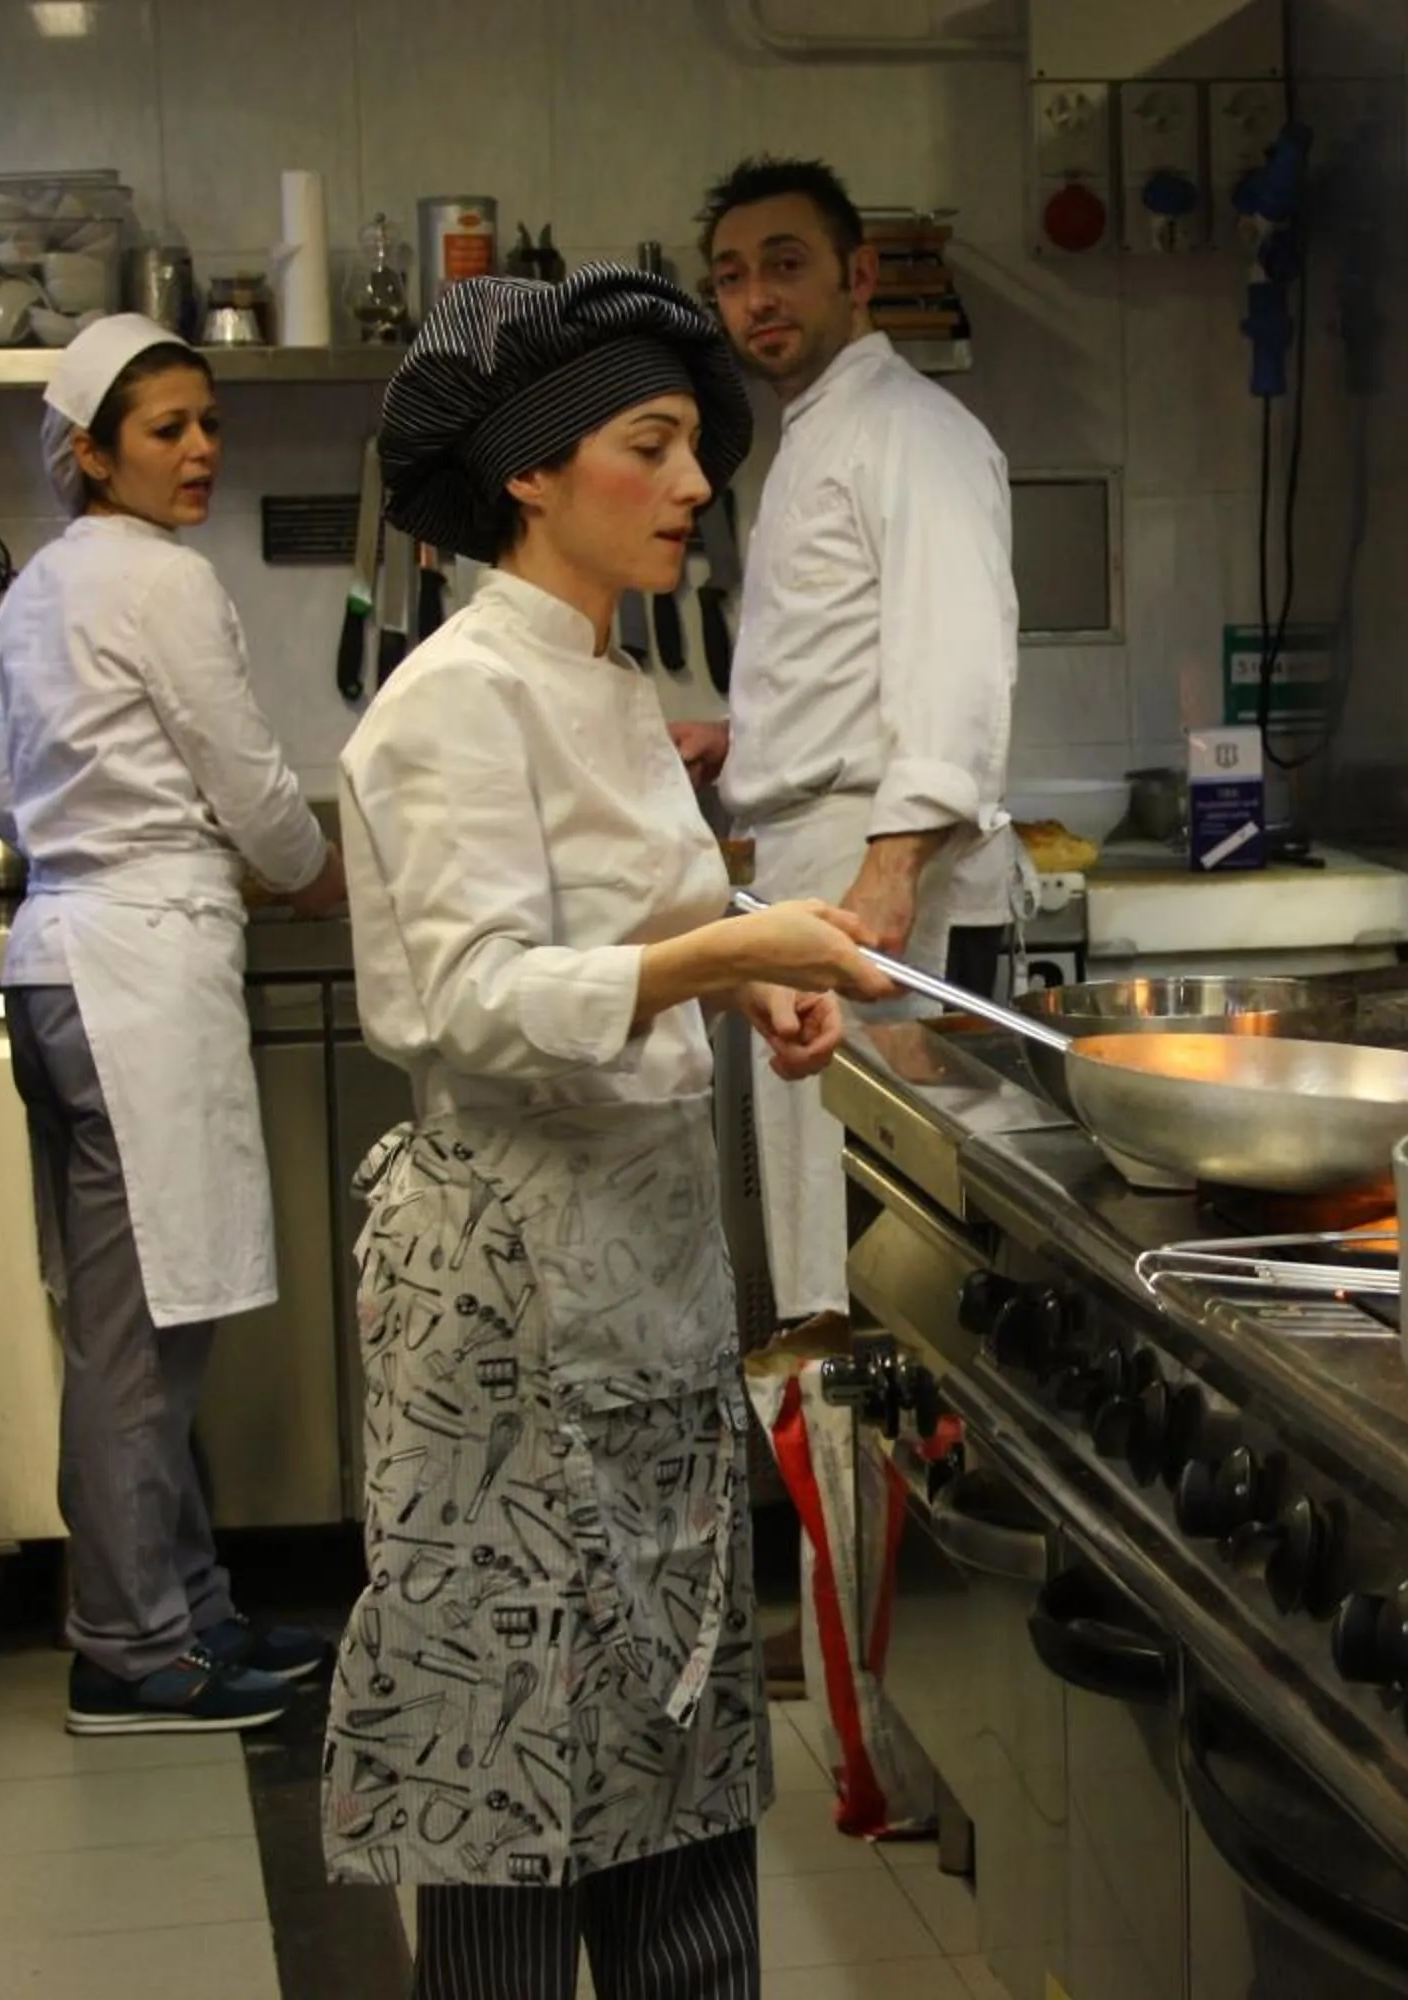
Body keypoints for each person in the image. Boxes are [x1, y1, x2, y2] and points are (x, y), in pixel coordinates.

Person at [322, 266, 892, 1998]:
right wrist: (725, 949)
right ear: (532, 474)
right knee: (513, 1802)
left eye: (690, 445)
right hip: (502, 1323)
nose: (696, 481)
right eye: (650, 446)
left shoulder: (615, 684)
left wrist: (736, 984)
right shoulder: (447, 702)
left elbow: (619, 939)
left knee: (674, 1754)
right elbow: (470, 1000)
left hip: (639, 1295)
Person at [0, 312, 347, 1737]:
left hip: (58, 959)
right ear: (91, 452)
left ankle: (186, 1611)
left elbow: (0, 805)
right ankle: (130, 1648)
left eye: (208, 423)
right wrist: (311, 876)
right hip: (131, 972)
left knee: (139, 1323)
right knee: (141, 1342)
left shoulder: (37, 588)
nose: (201, 452)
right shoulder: (164, 584)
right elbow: (252, 784)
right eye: (166, 431)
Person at [688, 154, 1021, 1338]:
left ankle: (878, 1487)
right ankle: (840, 1480)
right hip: (812, 859)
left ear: (858, 275)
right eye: (732, 277)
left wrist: (891, 868)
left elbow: (956, 653)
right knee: (821, 1235)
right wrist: (742, 738)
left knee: (879, 1253)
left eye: (785, 265)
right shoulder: (813, 437)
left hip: (880, 880)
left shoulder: (910, 430)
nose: (757, 298)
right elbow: (854, 654)